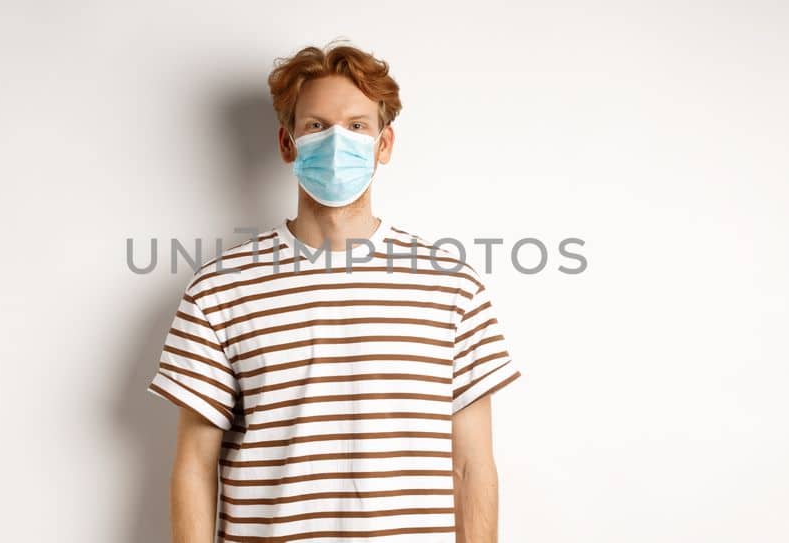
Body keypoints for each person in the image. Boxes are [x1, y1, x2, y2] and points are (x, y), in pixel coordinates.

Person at [146, 41, 522, 542]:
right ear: (287, 143)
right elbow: (195, 466)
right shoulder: (218, 288)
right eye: (317, 126)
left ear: (384, 144)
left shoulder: (451, 286)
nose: (337, 140)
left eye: (358, 126)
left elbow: (473, 467)